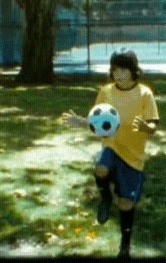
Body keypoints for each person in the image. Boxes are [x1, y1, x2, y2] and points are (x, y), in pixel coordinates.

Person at [61, 49, 160, 258]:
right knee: (101, 168)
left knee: (126, 203)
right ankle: (105, 197)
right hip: (111, 146)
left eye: (124, 70)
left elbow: (153, 125)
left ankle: (125, 245)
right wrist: (81, 122)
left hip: (133, 156)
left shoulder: (144, 93)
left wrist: (146, 127)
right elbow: (97, 121)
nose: (120, 75)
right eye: (115, 70)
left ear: (134, 71)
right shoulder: (106, 92)